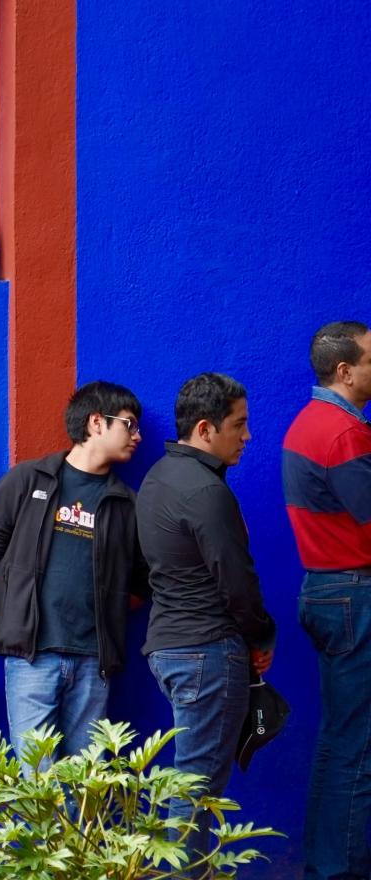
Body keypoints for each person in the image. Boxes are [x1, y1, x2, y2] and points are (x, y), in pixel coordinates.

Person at [139, 372, 275, 853]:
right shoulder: (206, 490)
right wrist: (261, 636)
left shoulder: (157, 478)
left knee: (188, 782)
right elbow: (236, 581)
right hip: (207, 652)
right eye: (238, 425)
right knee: (196, 791)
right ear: (204, 429)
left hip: (172, 647)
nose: (248, 436)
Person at [0, 381, 147, 759]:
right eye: (129, 424)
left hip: (93, 659)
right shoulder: (28, 480)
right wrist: (17, 600)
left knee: (85, 783)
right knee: (37, 778)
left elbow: (141, 576)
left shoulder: (127, 503)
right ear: (96, 423)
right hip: (32, 655)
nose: (137, 436)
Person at [283, 321, 371, 880]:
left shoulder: (310, 424)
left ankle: (324, 864)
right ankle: (339, 870)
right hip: (353, 594)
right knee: (358, 747)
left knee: (341, 741)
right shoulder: (344, 433)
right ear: (345, 371)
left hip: (328, 590)